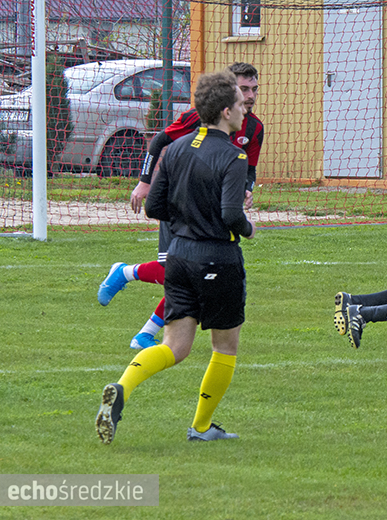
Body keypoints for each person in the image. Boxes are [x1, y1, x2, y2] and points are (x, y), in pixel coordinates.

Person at [95, 71, 256, 444]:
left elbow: (153, 206)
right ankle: (201, 427)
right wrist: (247, 229)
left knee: (174, 347)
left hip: (179, 258)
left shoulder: (177, 148)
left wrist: (187, 218)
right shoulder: (234, 156)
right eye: (240, 100)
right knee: (224, 347)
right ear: (226, 111)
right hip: (218, 259)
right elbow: (232, 214)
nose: (245, 106)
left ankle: (122, 387)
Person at [97, 63, 264, 350]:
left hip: (209, 212)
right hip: (183, 205)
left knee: (185, 274)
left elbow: (249, 168)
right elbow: (161, 140)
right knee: (175, 271)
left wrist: (246, 189)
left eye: (254, 89)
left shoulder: (254, 127)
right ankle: (126, 273)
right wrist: (145, 182)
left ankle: (145, 335)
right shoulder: (198, 118)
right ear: (228, 95)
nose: (249, 96)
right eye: (243, 90)